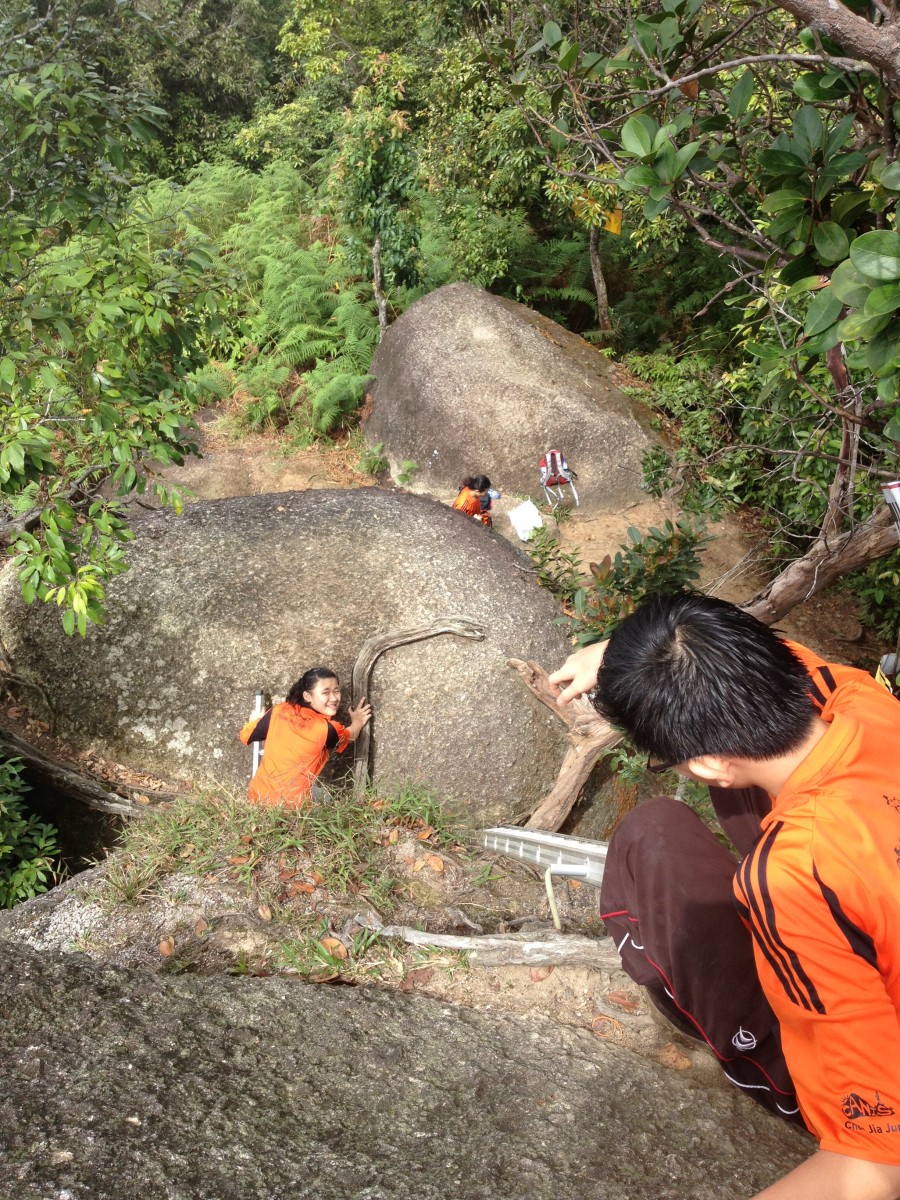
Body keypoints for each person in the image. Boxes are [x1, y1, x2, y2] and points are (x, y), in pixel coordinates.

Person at [549, 593, 900, 1200]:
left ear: (709, 763)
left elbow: (879, 1160)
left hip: (857, 1064)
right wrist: (628, 655)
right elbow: (783, 655)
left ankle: (745, 1051)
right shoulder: (867, 705)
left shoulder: (789, 879)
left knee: (650, 835)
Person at [239, 667, 371, 807]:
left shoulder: (279, 710)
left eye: (336, 691)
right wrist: (357, 722)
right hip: (293, 808)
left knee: (319, 793)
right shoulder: (327, 729)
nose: (333, 698)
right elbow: (351, 735)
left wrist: (254, 721)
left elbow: (246, 737)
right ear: (307, 696)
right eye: (326, 692)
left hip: (257, 798)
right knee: (329, 800)